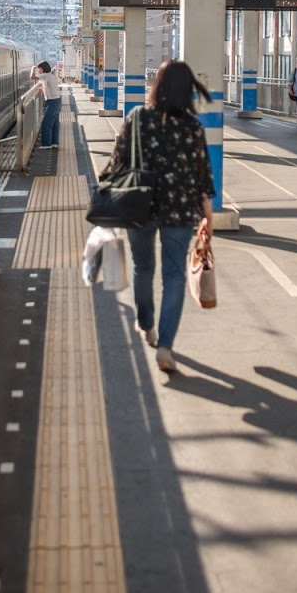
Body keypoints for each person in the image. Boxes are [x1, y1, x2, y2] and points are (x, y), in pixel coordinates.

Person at [99, 60, 215, 374]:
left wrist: (105, 187)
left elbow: (117, 161)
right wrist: (208, 216)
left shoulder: (137, 118)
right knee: (175, 275)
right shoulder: (192, 126)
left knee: (143, 266)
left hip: (139, 205)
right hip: (179, 209)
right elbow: (203, 175)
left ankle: (146, 323)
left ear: (157, 86)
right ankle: (165, 347)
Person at [33, 60, 62, 148]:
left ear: (43, 69)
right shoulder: (50, 76)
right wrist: (43, 89)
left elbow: (32, 77)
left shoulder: (45, 75)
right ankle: (54, 143)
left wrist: (32, 68)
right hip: (57, 100)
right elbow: (49, 87)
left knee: (46, 123)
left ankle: (46, 144)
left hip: (52, 102)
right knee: (54, 124)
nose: (38, 71)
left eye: (39, 69)